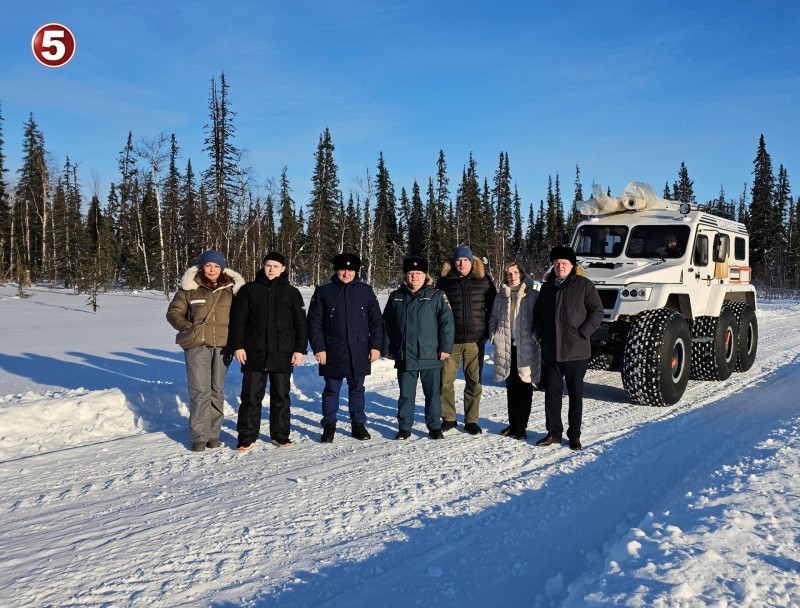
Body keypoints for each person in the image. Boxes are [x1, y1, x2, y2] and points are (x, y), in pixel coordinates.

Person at [228, 252, 308, 450]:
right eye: (268, 265)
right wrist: (238, 346)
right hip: (255, 353)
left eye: (276, 266)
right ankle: (247, 436)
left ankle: (280, 435)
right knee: (251, 397)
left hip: (283, 353)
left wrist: (299, 350)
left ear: (283, 269)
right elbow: (238, 321)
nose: (271, 269)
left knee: (281, 396)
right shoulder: (249, 291)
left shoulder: (291, 292)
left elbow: (300, 325)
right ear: (263, 266)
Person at [167, 250, 245, 452]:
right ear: (202, 267)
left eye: (217, 266)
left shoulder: (232, 290)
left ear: (222, 268)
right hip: (197, 346)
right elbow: (174, 312)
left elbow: (242, 316)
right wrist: (187, 326)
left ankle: (213, 434)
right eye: (209, 265)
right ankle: (199, 437)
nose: (212, 269)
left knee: (216, 390)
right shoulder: (190, 288)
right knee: (200, 390)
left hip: (223, 345)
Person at [532, 246, 603, 451]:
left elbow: (597, 311)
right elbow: (537, 314)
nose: (559, 266)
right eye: (556, 263)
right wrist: (540, 334)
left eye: (563, 263)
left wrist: (584, 332)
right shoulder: (547, 287)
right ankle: (554, 433)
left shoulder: (584, 285)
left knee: (575, 394)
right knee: (552, 394)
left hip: (576, 350)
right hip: (552, 351)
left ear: (572, 265)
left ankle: (574, 435)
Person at [307, 253, 383, 443]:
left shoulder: (365, 291)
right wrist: (319, 348)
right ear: (336, 270)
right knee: (332, 389)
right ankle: (329, 425)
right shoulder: (324, 291)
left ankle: (358, 424)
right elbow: (314, 322)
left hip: (359, 349)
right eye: (342, 269)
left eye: (350, 269)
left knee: (357, 389)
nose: (346, 273)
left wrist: (375, 346)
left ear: (356, 271)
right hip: (332, 349)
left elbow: (376, 322)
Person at [382, 256, 454, 440]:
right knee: (406, 394)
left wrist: (445, 347)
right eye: (411, 273)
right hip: (405, 354)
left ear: (425, 275)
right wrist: (387, 347)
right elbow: (387, 324)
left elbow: (447, 323)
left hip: (430, 353)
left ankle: (434, 426)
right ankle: (404, 427)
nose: (414, 277)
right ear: (405, 276)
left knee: (432, 394)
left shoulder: (436, 295)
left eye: (418, 273)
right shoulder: (396, 296)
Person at [435, 246, 496, 435]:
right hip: (449, 341)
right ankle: (449, 418)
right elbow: (435, 311)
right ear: (454, 262)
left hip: (475, 341)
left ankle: (471, 420)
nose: (462, 264)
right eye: (458, 260)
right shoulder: (444, 283)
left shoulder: (484, 282)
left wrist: (486, 333)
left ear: (472, 262)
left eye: (466, 260)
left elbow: (493, 309)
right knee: (445, 381)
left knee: (474, 382)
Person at [488, 261, 541, 441]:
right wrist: (493, 335)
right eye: (509, 273)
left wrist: (535, 336)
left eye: (515, 272)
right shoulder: (501, 296)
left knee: (525, 387)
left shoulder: (532, 295)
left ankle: (522, 427)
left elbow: (539, 320)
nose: (512, 276)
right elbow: (493, 318)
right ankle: (513, 424)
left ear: (522, 273)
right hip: (506, 345)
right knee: (511, 387)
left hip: (525, 345)